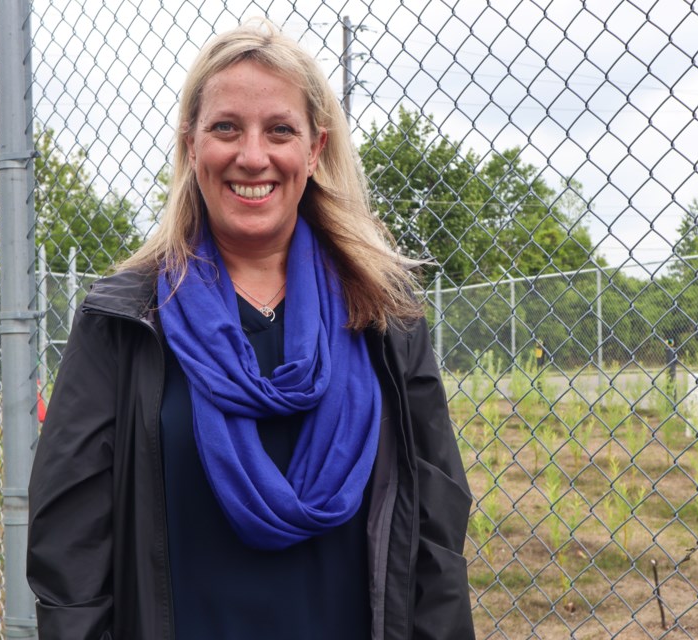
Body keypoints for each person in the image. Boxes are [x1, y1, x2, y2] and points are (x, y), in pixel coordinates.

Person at [27, 19, 474, 640]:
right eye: (226, 128)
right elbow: (69, 548)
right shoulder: (124, 322)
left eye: (280, 130)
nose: (253, 156)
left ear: (315, 150)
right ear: (192, 146)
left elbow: (435, 533)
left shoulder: (383, 316)